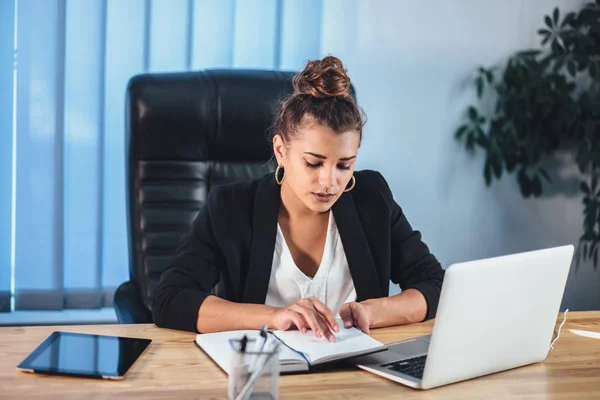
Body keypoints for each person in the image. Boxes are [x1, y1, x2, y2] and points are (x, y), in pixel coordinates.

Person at [152, 56, 445, 342]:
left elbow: (435, 284)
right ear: (281, 151)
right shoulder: (230, 207)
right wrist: (275, 316)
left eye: (344, 165)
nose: (330, 182)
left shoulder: (372, 198)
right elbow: (170, 300)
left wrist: (372, 310)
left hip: (356, 380)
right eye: (314, 163)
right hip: (265, 377)